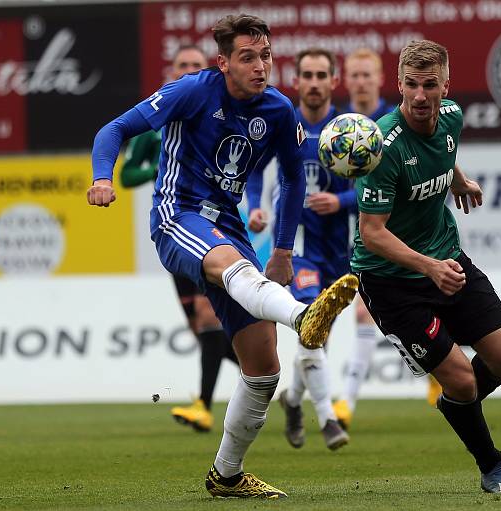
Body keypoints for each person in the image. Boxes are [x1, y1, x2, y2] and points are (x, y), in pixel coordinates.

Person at [87, 14, 358, 499]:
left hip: (225, 222)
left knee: (263, 372)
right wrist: (104, 177)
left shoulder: (278, 110)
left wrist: (280, 251)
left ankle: (226, 476)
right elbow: (114, 129)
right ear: (224, 63)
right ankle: (303, 316)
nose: (261, 66)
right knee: (231, 264)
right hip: (179, 214)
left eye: (267, 56)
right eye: (249, 57)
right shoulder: (192, 90)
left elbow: (294, 178)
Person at [351, 39, 501, 495]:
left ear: (445, 87)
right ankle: (493, 467)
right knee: (461, 378)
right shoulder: (382, 147)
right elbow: (372, 232)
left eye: (429, 85)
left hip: (447, 258)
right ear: (398, 85)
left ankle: (458, 406)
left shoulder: (452, 116)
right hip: (391, 281)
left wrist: (459, 179)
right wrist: (429, 267)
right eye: (410, 85)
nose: (419, 96)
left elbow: (443, 150)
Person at [120, 45, 236, 433]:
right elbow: (126, 176)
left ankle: (203, 406)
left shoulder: (210, 116)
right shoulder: (155, 127)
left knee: (207, 317)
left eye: (194, 66)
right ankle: (271, 379)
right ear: (172, 72)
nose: (188, 71)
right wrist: (161, 165)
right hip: (171, 231)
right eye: (181, 65)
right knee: (203, 330)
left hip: (205, 226)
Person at [247, 48, 352, 451]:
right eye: (306, 74)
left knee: (317, 339)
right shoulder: (282, 119)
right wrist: (256, 204)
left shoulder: (347, 129)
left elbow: (373, 191)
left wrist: (340, 203)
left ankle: (292, 400)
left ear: (331, 80)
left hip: (339, 250)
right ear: (298, 79)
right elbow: (256, 169)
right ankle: (327, 419)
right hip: (297, 246)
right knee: (311, 327)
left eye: (320, 74)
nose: (312, 82)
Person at [333, 47, 441, 431]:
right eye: (355, 74)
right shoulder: (341, 125)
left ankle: (433, 370)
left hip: (403, 232)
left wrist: (341, 197)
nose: (361, 81)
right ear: (346, 79)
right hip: (363, 232)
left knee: (412, 304)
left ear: (382, 80)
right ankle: (344, 402)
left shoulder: (397, 121)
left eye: (367, 74)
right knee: (361, 314)